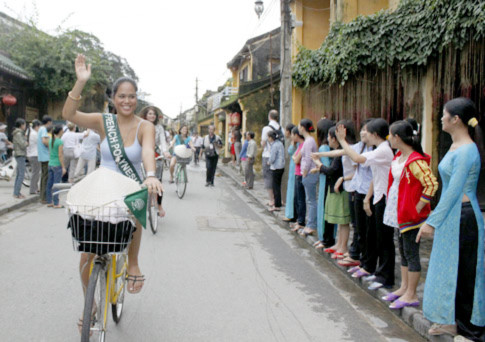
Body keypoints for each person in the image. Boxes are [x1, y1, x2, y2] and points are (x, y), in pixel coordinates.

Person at [62, 55, 163, 330]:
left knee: (136, 203)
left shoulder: (146, 127)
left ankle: (133, 264)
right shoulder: (103, 122)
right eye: (122, 96)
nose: (127, 101)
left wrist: (151, 176)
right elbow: (69, 115)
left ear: (136, 99)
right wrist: (80, 82)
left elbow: (146, 154)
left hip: (128, 189)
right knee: (86, 255)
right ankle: (90, 303)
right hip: (102, 189)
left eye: (131, 96)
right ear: (114, 98)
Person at [417, 98, 485, 341]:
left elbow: (455, 190)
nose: (441, 118)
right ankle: (451, 322)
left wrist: (431, 221)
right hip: (453, 217)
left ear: (455, 119)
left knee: (466, 273)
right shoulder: (456, 146)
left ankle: (470, 331)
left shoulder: (467, 149)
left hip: (464, 218)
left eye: (444, 115)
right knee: (450, 271)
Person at [382, 120, 438, 309]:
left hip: (410, 214)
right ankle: (404, 288)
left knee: (411, 253)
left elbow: (431, 184)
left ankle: (411, 294)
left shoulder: (416, 161)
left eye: (390, 136)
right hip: (399, 210)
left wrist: (419, 206)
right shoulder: (399, 157)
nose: (389, 139)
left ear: (397, 138)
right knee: (404, 252)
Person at [336, 118, 395, 290]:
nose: (363, 133)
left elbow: (355, 157)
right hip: (377, 197)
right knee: (373, 236)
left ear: (375, 134)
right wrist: (368, 198)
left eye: (366, 131)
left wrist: (342, 140)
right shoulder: (378, 150)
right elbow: (374, 177)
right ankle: (374, 270)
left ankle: (386, 276)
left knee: (384, 240)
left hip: (384, 198)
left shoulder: (383, 150)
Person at [312, 125, 351, 259]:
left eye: (329, 137)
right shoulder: (338, 152)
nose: (328, 140)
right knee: (339, 220)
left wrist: (318, 163)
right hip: (335, 187)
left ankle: (343, 246)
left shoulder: (345, 151)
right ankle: (339, 244)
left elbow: (332, 170)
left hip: (342, 189)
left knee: (343, 220)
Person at [139, 106, 170, 217]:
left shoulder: (159, 127)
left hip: (156, 153)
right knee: (140, 181)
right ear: (146, 115)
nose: (152, 116)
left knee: (158, 182)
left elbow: (162, 140)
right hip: (141, 154)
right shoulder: (140, 124)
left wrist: (165, 151)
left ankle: (159, 204)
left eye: (154, 114)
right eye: (150, 114)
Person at [310, 119, 335, 249]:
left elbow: (325, 167)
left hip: (326, 182)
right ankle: (326, 239)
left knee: (324, 210)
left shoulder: (323, 147)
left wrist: (317, 165)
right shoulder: (330, 147)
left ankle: (325, 239)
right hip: (330, 181)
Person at [299, 118, 318, 237]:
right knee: (310, 200)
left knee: (311, 200)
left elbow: (307, 159)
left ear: (302, 128)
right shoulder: (310, 140)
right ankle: (310, 224)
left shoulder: (308, 142)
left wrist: (304, 172)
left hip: (309, 173)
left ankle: (311, 225)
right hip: (310, 172)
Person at [261, 110, 281, 207]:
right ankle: (278, 199)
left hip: (268, 155)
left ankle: (271, 200)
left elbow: (263, 142)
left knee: (268, 177)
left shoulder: (266, 128)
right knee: (277, 179)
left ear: (269, 116)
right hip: (279, 157)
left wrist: (262, 147)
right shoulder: (281, 128)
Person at [45, 125, 66, 208]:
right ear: (60, 131)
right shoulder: (60, 141)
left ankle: (49, 201)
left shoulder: (50, 140)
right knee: (56, 184)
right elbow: (60, 155)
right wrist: (63, 167)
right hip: (57, 164)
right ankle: (56, 203)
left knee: (49, 183)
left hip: (50, 163)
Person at [290, 126, 306, 232]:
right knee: (297, 198)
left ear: (296, 135)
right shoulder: (299, 145)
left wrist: (294, 158)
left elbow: (296, 160)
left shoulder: (303, 145)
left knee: (300, 199)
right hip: (297, 173)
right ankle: (298, 220)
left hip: (300, 174)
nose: (291, 137)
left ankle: (301, 221)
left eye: (292, 134)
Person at [267, 130, 285, 212]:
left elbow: (272, 157)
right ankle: (278, 202)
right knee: (278, 186)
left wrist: (269, 162)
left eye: (268, 137)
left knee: (275, 187)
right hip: (281, 167)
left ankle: (277, 205)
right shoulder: (280, 143)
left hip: (276, 167)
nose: (268, 139)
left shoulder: (274, 145)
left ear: (271, 137)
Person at [283, 123, 297, 222]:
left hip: (295, 167)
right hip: (293, 167)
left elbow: (291, 151)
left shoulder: (296, 143)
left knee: (292, 190)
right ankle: (290, 213)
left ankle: (291, 214)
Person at [37, 115, 53, 203]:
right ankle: (44, 198)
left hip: (42, 156)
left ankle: (43, 197)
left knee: (44, 176)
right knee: (45, 177)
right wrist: (50, 142)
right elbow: (44, 141)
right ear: (49, 122)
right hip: (45, 156)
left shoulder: (40, 129)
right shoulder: (43, 129)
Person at [12, 118, 28, 199]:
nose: (25, 126)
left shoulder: (19, 133)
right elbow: (23, 144)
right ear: (21, 125)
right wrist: (26, 142)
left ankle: (16, 192)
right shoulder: (19, 134)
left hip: (19, 154)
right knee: (21, 174)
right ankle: (17, 193)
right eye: (24, 124)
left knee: (19, 174)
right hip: (20, 154)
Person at [26, 120, 41, 194]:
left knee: (36, 173)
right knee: (35, 173)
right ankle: (33, 189)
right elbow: (41, 142)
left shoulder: (31, 133)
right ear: (37, 126)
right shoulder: (34, 134)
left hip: (32, 155)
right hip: (35, 155)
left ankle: (35, 188)